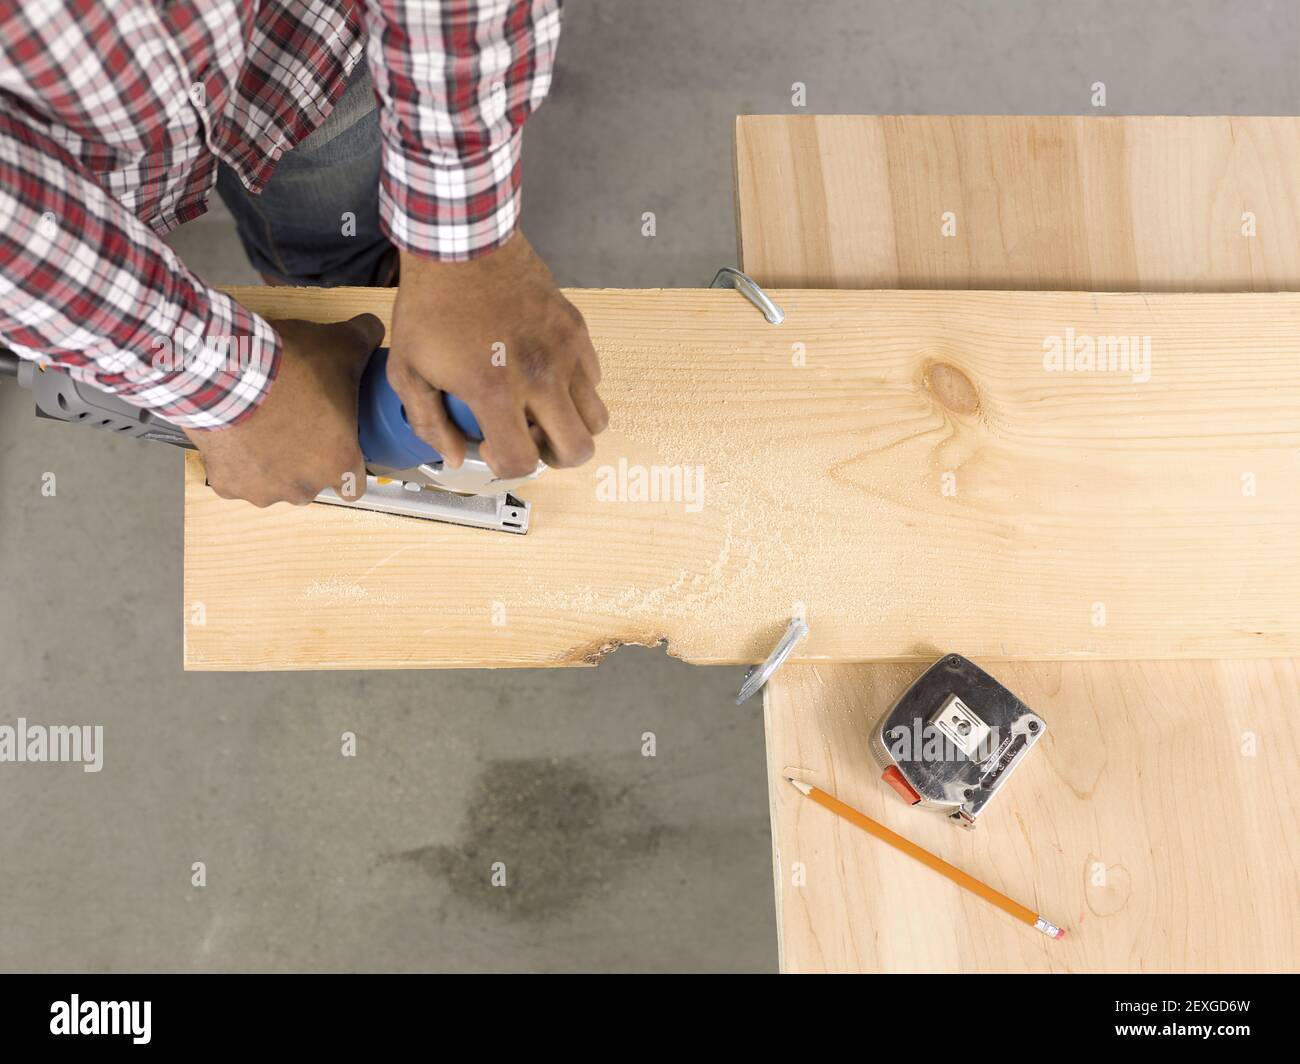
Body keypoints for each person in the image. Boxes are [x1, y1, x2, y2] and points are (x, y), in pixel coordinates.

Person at [0, 0, 608, 507]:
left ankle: (349, 279)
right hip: (79, 175)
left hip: (303, 45)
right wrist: (220, 384)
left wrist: (465, 252)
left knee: (332, 230)